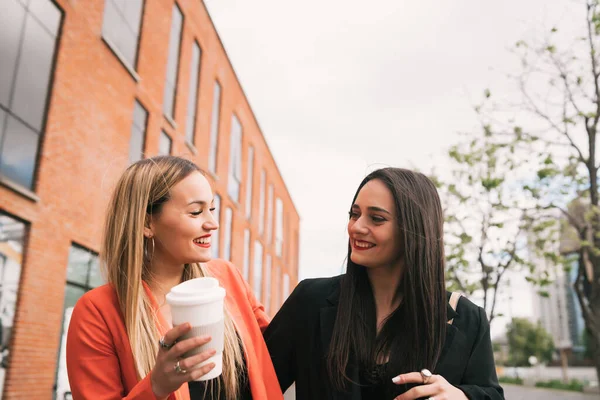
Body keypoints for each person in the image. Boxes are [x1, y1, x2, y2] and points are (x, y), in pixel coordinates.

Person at [264, 167, 504, 400]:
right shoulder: (310, 300)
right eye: (354, 214)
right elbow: (252, 386)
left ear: (413, 229)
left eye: (376, 218)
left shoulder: (467, 319)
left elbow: (491, 394)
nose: (356, 227)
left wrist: (462, 396)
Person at [67, 155, 282, 400]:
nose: (213, 223)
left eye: (211, 209)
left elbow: (281, 350)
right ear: (147, 222)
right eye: (195, 212)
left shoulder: (228, 278)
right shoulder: (98, 311)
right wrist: (156, 386)